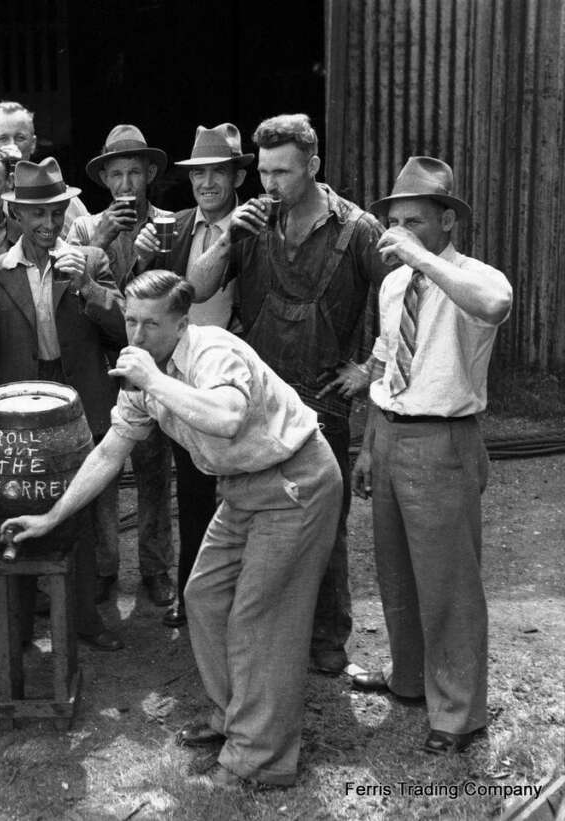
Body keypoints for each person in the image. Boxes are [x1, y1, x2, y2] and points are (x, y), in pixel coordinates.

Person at [3, 270, 341, 789]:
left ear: (182, 324)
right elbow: (111, 452)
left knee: (260, 620)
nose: (135, 337)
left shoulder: (211, 351)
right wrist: (52, 516)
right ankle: (236, 719)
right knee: (204, 597)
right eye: (130, 322)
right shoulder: (143, 375)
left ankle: (261, 761)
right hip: (242, 487)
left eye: (150, 325)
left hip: (294, 481)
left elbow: (226, 417)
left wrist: (155, 380)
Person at [187, 113, 389, 674]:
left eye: (283, 172)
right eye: (265, 173)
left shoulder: (357, 229)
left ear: (314, 166)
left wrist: (370, 369)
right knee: (251, 522)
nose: (270, 185)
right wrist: (229, 235)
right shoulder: (250, 226)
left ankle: (326, 645)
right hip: (259, 408)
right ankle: (265, 641)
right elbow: (192, 293)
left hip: (323, 406)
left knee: (325, 532)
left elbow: (402, 296)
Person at [350, 157, 512, 755]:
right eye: (395, 221)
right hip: (392, 434)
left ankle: (459, 714)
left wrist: (421, 258)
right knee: (396, 573)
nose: (400, 232)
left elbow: (495, 306)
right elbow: (388, 365)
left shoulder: (475, 277)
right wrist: (369, 446)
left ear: (447, 220)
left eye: (414, 221)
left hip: (444, 441)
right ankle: (411, 680)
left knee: (449, 583)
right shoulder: (395, 285)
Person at [0, 157, 126, 651]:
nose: (48, 225)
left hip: (78, 402)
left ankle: (85, 617)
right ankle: (19, 628)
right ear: (16, 215)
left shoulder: (89, 261)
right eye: (36, 214)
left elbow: (125, 331)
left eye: (56, 213)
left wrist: (87, 287)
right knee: (18, 508)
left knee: (79, 510)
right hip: (20, 403)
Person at [133, 122, 254, 627]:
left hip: (234, 374)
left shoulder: (253, 225)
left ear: (236, 178)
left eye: (217, 173)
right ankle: (190, 597)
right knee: (193, 491)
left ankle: (241, 604)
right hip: (181, 375)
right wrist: (140, 254)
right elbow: (146, 297)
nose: (206, 183)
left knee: (244, 491)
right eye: (199, 173)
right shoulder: (175, 226)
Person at [67, 124, 175, 609]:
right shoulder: (84, 228)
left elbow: (168, 298)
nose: (127, 184)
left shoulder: (172, 223)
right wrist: (104, 240)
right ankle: (106, 569)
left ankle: (155, 569)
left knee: (154, 473)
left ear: (150, 173)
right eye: (117, 174)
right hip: (103, 368)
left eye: (135, 172)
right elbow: (77, 299)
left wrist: (147, 253)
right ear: (104, 180)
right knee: (104, 474)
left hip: (155, 369)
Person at [0, 101, 90, 237]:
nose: (11, 147)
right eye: (3, 139)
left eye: (20, 138)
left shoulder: (57, 194)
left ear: (33, 144)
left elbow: (86, 240)